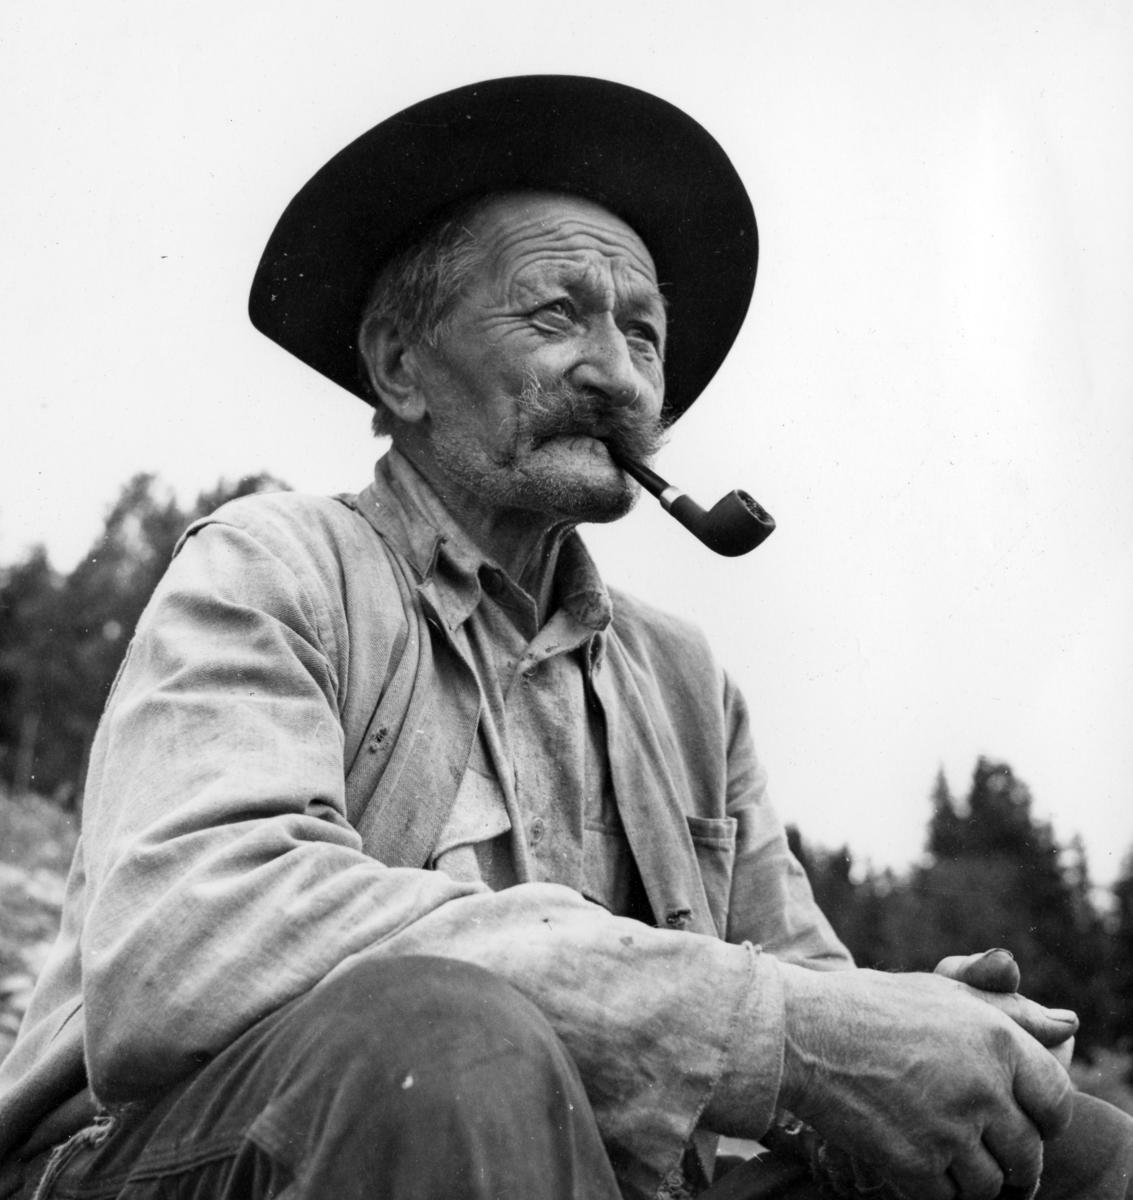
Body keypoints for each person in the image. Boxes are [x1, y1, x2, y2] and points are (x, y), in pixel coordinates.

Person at [0, 76, 1130, 1200]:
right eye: (555, 314)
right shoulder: (275, 565)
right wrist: (772, 1030)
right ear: (400, 367)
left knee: (1067, 1152)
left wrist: (924, 1036)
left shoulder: (684, 681)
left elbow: (810, 1012)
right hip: (180, 1159)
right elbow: (186, 946)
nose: (616, 371)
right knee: (442, 1038)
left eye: (641, 334)